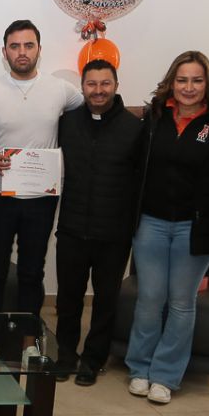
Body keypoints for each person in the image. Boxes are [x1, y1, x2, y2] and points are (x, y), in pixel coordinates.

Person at [124, 51, 209, 404]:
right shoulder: (156, 114)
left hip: (195, 227)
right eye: (182, 80)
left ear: (207, 83)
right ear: (172, 82)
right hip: (151, 223)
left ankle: (166, 376)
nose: (189, 87)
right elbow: (135, 163)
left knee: (182, 302)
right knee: (150, 298)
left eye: (196, 80)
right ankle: (139, 368)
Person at [0, 20, 83, 329]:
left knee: (32, 272)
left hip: (41, 198)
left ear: (39, 50)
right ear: (4, 52)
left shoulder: (62, 90)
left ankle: (28, 340)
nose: (22, 52)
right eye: (15, 46)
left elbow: (90, 117)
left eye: (28, 45)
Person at [53, 59, 143, 385]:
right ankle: (65, 354)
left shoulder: (135, 129)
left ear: (116, 85)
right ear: (82, 87)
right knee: (68, 298)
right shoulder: (67, 123)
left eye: (105, 83)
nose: (98, 90)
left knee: (106, 301)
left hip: (114, 233)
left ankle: (93, 359)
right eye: (91, 84)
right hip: (72, 228)